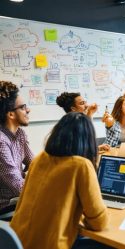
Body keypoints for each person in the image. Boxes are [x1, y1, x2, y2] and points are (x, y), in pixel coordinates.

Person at [10, 112, 110, 249]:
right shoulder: (81, 165)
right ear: (88, 140)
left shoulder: (40, 158)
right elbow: (99, 223)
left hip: (16, 241)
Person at [56, 77, 125, 151]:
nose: (87, 105)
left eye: (85, 102)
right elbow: (77, 150)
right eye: (82, 103)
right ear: (73, 108)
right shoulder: (71, 124)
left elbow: (85, 145)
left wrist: (98, 148)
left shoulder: (79, 120)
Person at [0, 81, 33, 213]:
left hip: (17, 201)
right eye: (23, 107)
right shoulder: (1, 142)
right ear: (11, 114)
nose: (28, 110)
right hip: (6, 208)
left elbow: (35, 164)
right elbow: (19, 186)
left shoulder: (19, 133)